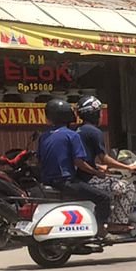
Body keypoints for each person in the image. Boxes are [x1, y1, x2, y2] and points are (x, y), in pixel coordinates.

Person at [35, 98, 113, 230]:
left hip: (48, 182)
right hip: (66, 182)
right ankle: (101, 229)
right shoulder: (72, 135)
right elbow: (79, 162)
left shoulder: (44, 136)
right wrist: (97, 173)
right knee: (104, 198)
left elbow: (41, 160)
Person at [75, 95, 136, 228]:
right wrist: (129, 167)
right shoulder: (94, 132)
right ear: (94, 114)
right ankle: (117, 224)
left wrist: (98, 167)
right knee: (127, 187)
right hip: (89, 179)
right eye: (99, 112)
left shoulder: (78, 130)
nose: (100, 116)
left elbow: (82, 158)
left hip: (81, 176)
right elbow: (105, 158)